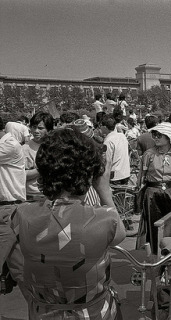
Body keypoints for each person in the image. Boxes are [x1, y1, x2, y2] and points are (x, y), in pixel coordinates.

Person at [4, 128, 126, 319]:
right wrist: (104, 190)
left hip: (42, 312)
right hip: (93, 313)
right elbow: (120, 235)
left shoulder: (21, 215)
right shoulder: (105, 218)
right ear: (89, 175)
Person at [136, 122, 171, 254]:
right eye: (154, 134)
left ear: (168, 137)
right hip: (152, 194)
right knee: (153, 225)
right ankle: (154, 256)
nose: (155, 137)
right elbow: (141, 176)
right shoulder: (148, 154)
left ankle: (169, 255)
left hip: (170, 192)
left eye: (159, 135)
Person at [0, 115, 26, 268]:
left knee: (18, 266)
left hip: (8, 209)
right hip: (6, 209)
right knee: (17, 265)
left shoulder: (10, 145)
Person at [22, 112, 54, 200]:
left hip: (53, 195)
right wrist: (41, 169)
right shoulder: (25, 149)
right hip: (33, 196)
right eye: (33, 127)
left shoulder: (55, 146)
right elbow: (20, 175)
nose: (36, 131)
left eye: (40, 128)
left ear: (49, 130)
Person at [100, 114, 131, 185]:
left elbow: (108, 161)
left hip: (115, 176)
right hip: (125, 172)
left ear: (105, 127)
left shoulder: (108, 141)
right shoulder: (122, 136)